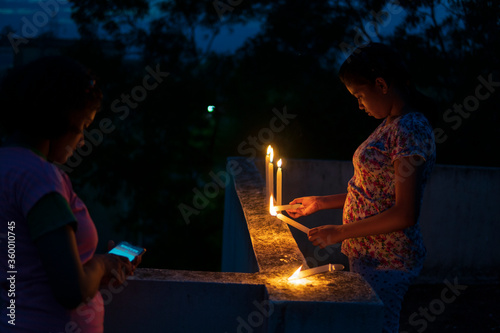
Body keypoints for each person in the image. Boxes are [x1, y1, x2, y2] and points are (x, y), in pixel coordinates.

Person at [287, 43, 436, 333]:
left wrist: (338, 232)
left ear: (381, 84)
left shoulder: (409, 128)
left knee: (377, 327)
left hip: (388, 260)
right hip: (369, 254)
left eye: (359, 95)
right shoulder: (391, 124)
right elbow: (375, 193)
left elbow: (405, 213)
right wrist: (321, 202)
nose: (359, 105)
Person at [0, 56, 140, 332]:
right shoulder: (39, 178)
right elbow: (71, 290)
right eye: (84, 126)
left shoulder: (7, 165)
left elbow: (28, 264)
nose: (83, 140)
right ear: (63, 121)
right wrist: (102, 264)